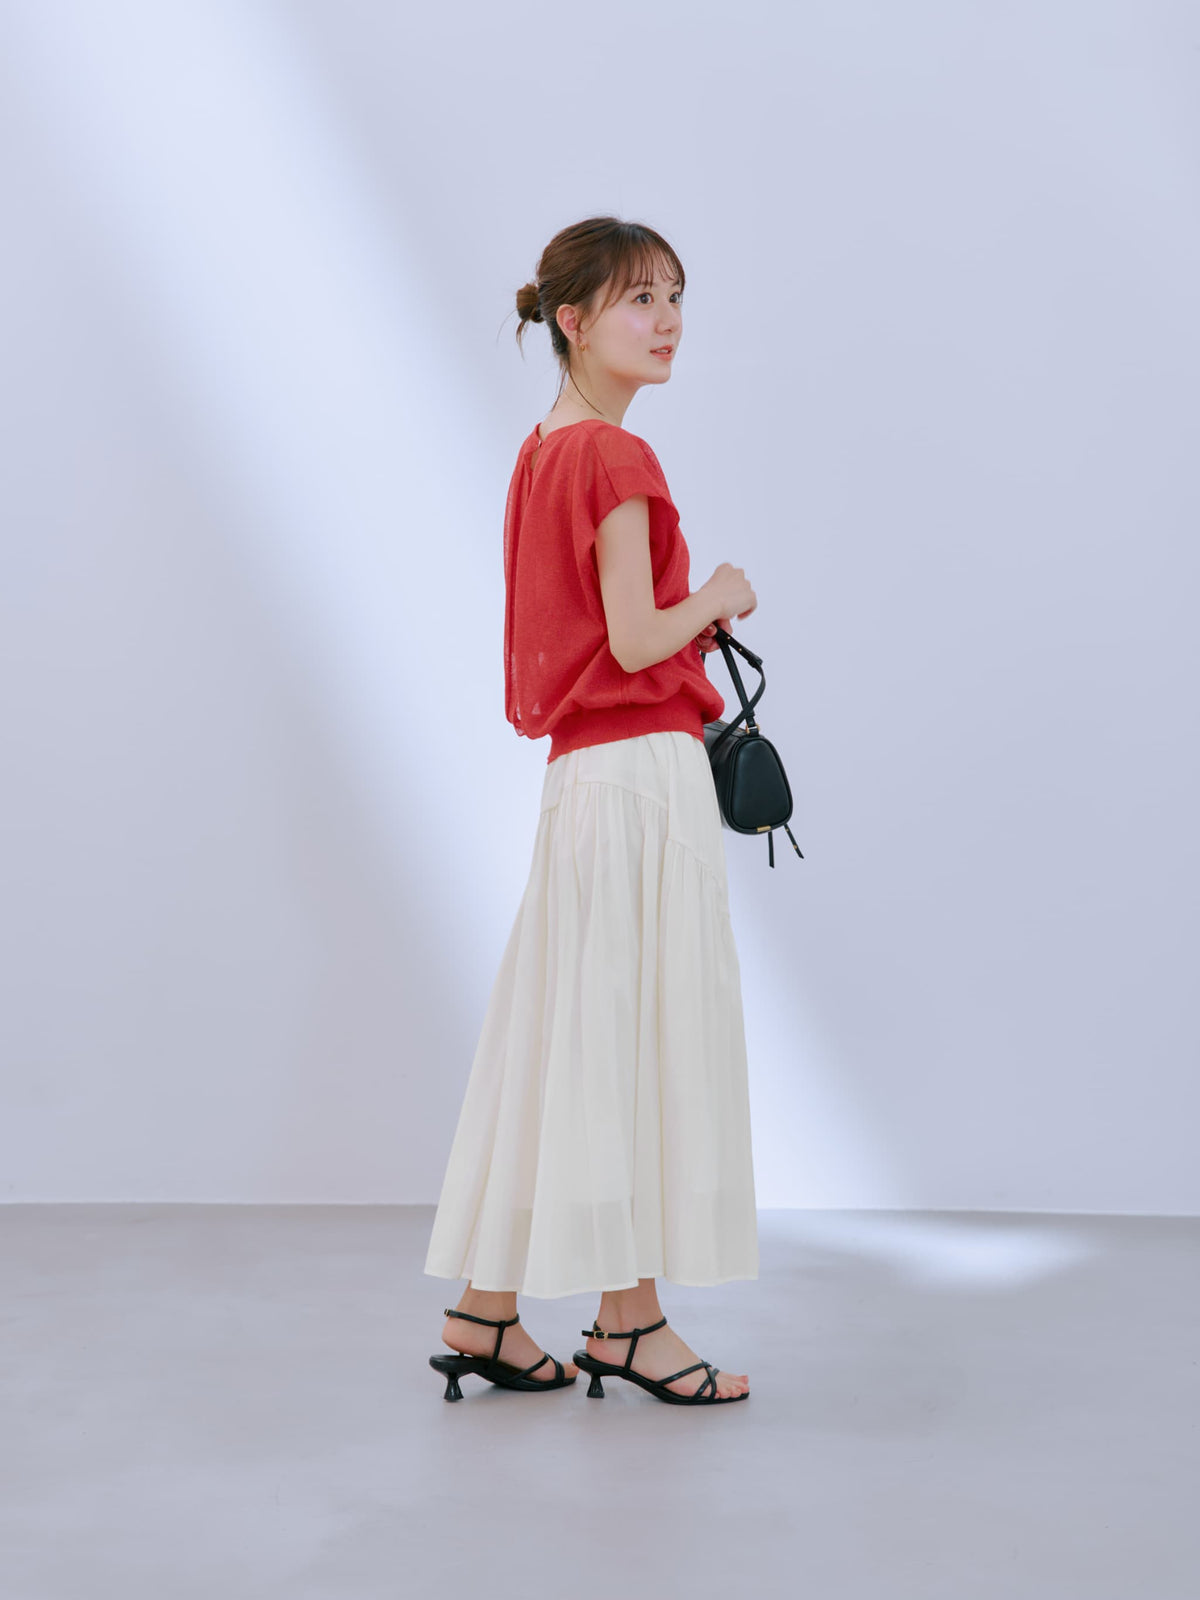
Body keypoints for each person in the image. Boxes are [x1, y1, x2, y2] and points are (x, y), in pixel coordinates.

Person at [423, 216, 759, 1405]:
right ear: (573, 320)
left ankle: (486, 1309)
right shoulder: (617, 458)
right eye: (638, 300)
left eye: (674, 297)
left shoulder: (543, 452)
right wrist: (717, 595)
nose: (667, 323)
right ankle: (631, 1323)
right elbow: (636, 638)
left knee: (569, 1033)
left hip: (582, 781)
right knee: (632, 1039)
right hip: (638, 777)